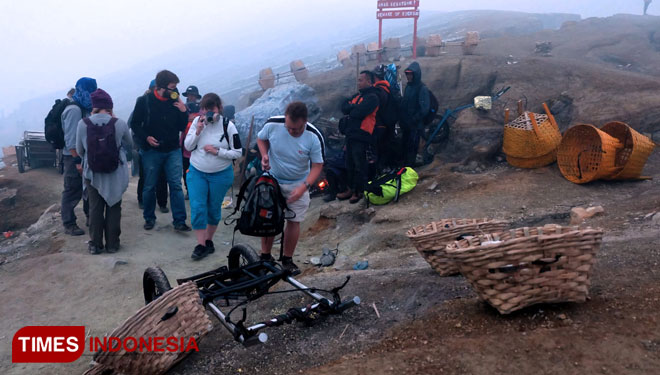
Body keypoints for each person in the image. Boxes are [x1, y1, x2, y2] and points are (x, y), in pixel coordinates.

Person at [257, 102, 324, 273]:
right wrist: (264, 155)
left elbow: (317, 165)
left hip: (298, 182)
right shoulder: (273, 124)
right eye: (289, 128)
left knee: (293, 221)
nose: (292, 131)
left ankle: (287, 259)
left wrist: (304, 187)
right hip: (272, 179)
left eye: (296, 128)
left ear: (305, 121)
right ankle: (265, 255)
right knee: (269, 219)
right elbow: (261, 138)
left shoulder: (313, 136)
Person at [130, 70, 190, 231]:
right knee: (149, 185)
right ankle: (149, 218)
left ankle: (179, 221)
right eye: (172, 87)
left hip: (172, 149)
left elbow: (181, 126)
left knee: (176, 185)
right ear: (162, 87)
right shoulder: (144, 101)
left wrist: (184, 111)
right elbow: (134, 124)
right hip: (151, 150)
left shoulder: (174, 102)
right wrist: (146, 138)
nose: (175, 90)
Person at [184, 93, 242, 260]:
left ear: (219, 108)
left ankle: (209, 241)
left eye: (212, 109)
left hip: (220, 174)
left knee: (213, 207)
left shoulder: (228, 126)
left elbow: (237, 152)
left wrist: (217, 152)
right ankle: (201, 244)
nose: (209, 113)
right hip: (197, 172)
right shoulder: (197, 122)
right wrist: (198, 131)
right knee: (197, 206)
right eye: (206, 109)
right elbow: (188, 146)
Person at [75, 89, 132, 254]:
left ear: (94, 106)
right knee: (114, 206)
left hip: (92, 173)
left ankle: (95, 245)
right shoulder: (119, 123)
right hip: (115, 172)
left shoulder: (83, 124)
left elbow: (79, 150)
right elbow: (130, 143)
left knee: (95, 208)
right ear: (109, 106)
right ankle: (113, 244)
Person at [338, 70, 380, 204]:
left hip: (362, 135)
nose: (358, 83)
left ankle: (359, 191)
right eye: (358, 80)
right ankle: (350, 188)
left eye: (361, 80)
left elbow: (358, 113)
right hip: (351, 134)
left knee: (359, 164)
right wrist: (353, 107)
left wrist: (353, 108)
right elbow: (344, 107)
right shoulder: (359, 96)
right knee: (349, 163)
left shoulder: (373, 97)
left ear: (369, 81)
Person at [61, 77, 96, 236]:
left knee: (89, 187)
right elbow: (70, 140)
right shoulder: (74, 110)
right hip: (73, 157)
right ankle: (69, 224)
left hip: (86, 155)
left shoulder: (85, 106)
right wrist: (77, 161)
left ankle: (90, 217)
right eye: (91, 90)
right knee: (72, 190)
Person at [131, 80, 169, 211]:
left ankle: (162, 202)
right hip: (145, 146)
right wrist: (141, 142)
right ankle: (143, 200)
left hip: (162, 146)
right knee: (146, 175)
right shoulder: (142, 102)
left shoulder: (164, 103)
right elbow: (134, 124)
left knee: (161, 176)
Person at [399, 62, 430, 167]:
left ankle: (409, 170)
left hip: (415, 126)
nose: (408, 76)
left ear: (416, 74)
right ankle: (404, 169)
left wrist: (414, 119)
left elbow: (424, 108)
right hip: (406, 125)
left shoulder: (422, 88)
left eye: (410, 74)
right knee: (405, 148)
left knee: (412, 149)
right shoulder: (408, 87)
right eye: (407, 74)